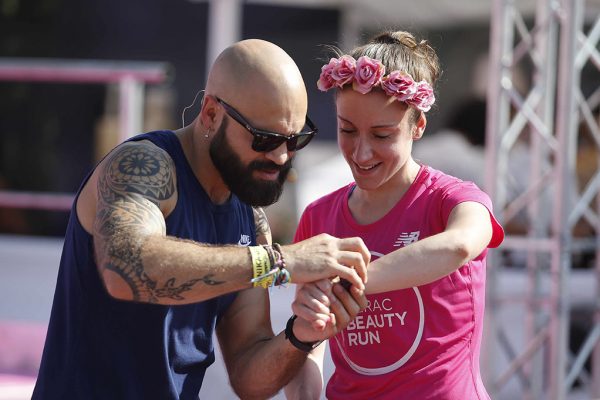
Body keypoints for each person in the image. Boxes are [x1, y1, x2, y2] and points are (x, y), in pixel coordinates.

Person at [32, 39, 371, 400]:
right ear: (210, 114)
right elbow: (125, 266)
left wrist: (303, 334)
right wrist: (279, 261)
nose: (280, 156)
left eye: (294, 139)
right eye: (264, 138)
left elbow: (248, 376)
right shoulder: (144, 165)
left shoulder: (248, 216)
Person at [284, 30, 505, 400]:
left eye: (382, 135)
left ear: (418, 126)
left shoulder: (453, 199)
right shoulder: (318, 216)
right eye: (347, 130)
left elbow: (459, 247)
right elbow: (310, 341)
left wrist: (348, 284)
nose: (361, 152)